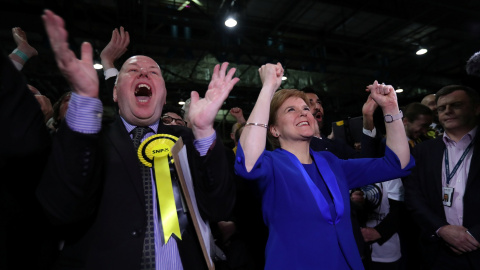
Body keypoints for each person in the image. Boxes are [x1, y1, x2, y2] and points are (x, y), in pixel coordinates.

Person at [36, 9, 237, 270]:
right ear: (116, 94)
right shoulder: (91, 138)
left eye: (154, 72)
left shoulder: (188, 139)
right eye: (132, 70)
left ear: (163, 97)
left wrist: (205, 132)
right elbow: (62, 209)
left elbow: (220, 207)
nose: (144, 74)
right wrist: (84, 101)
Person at [235, 62, 413, 269]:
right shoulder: (271, 166)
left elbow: (398, 164)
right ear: (274, 130)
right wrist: (268, 88)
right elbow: (247, 162)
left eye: (305, 109)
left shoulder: (331, 163)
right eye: (291, 110)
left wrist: (391, 109)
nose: (303, 113)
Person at [403, 85, 480, 270]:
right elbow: (413, 196)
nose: (448, 111)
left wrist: (475, 234)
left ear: (476, 108)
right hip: (438, 251)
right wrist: (442, 229)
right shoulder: (423, 151)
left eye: (456, 105)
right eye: (441, 108)